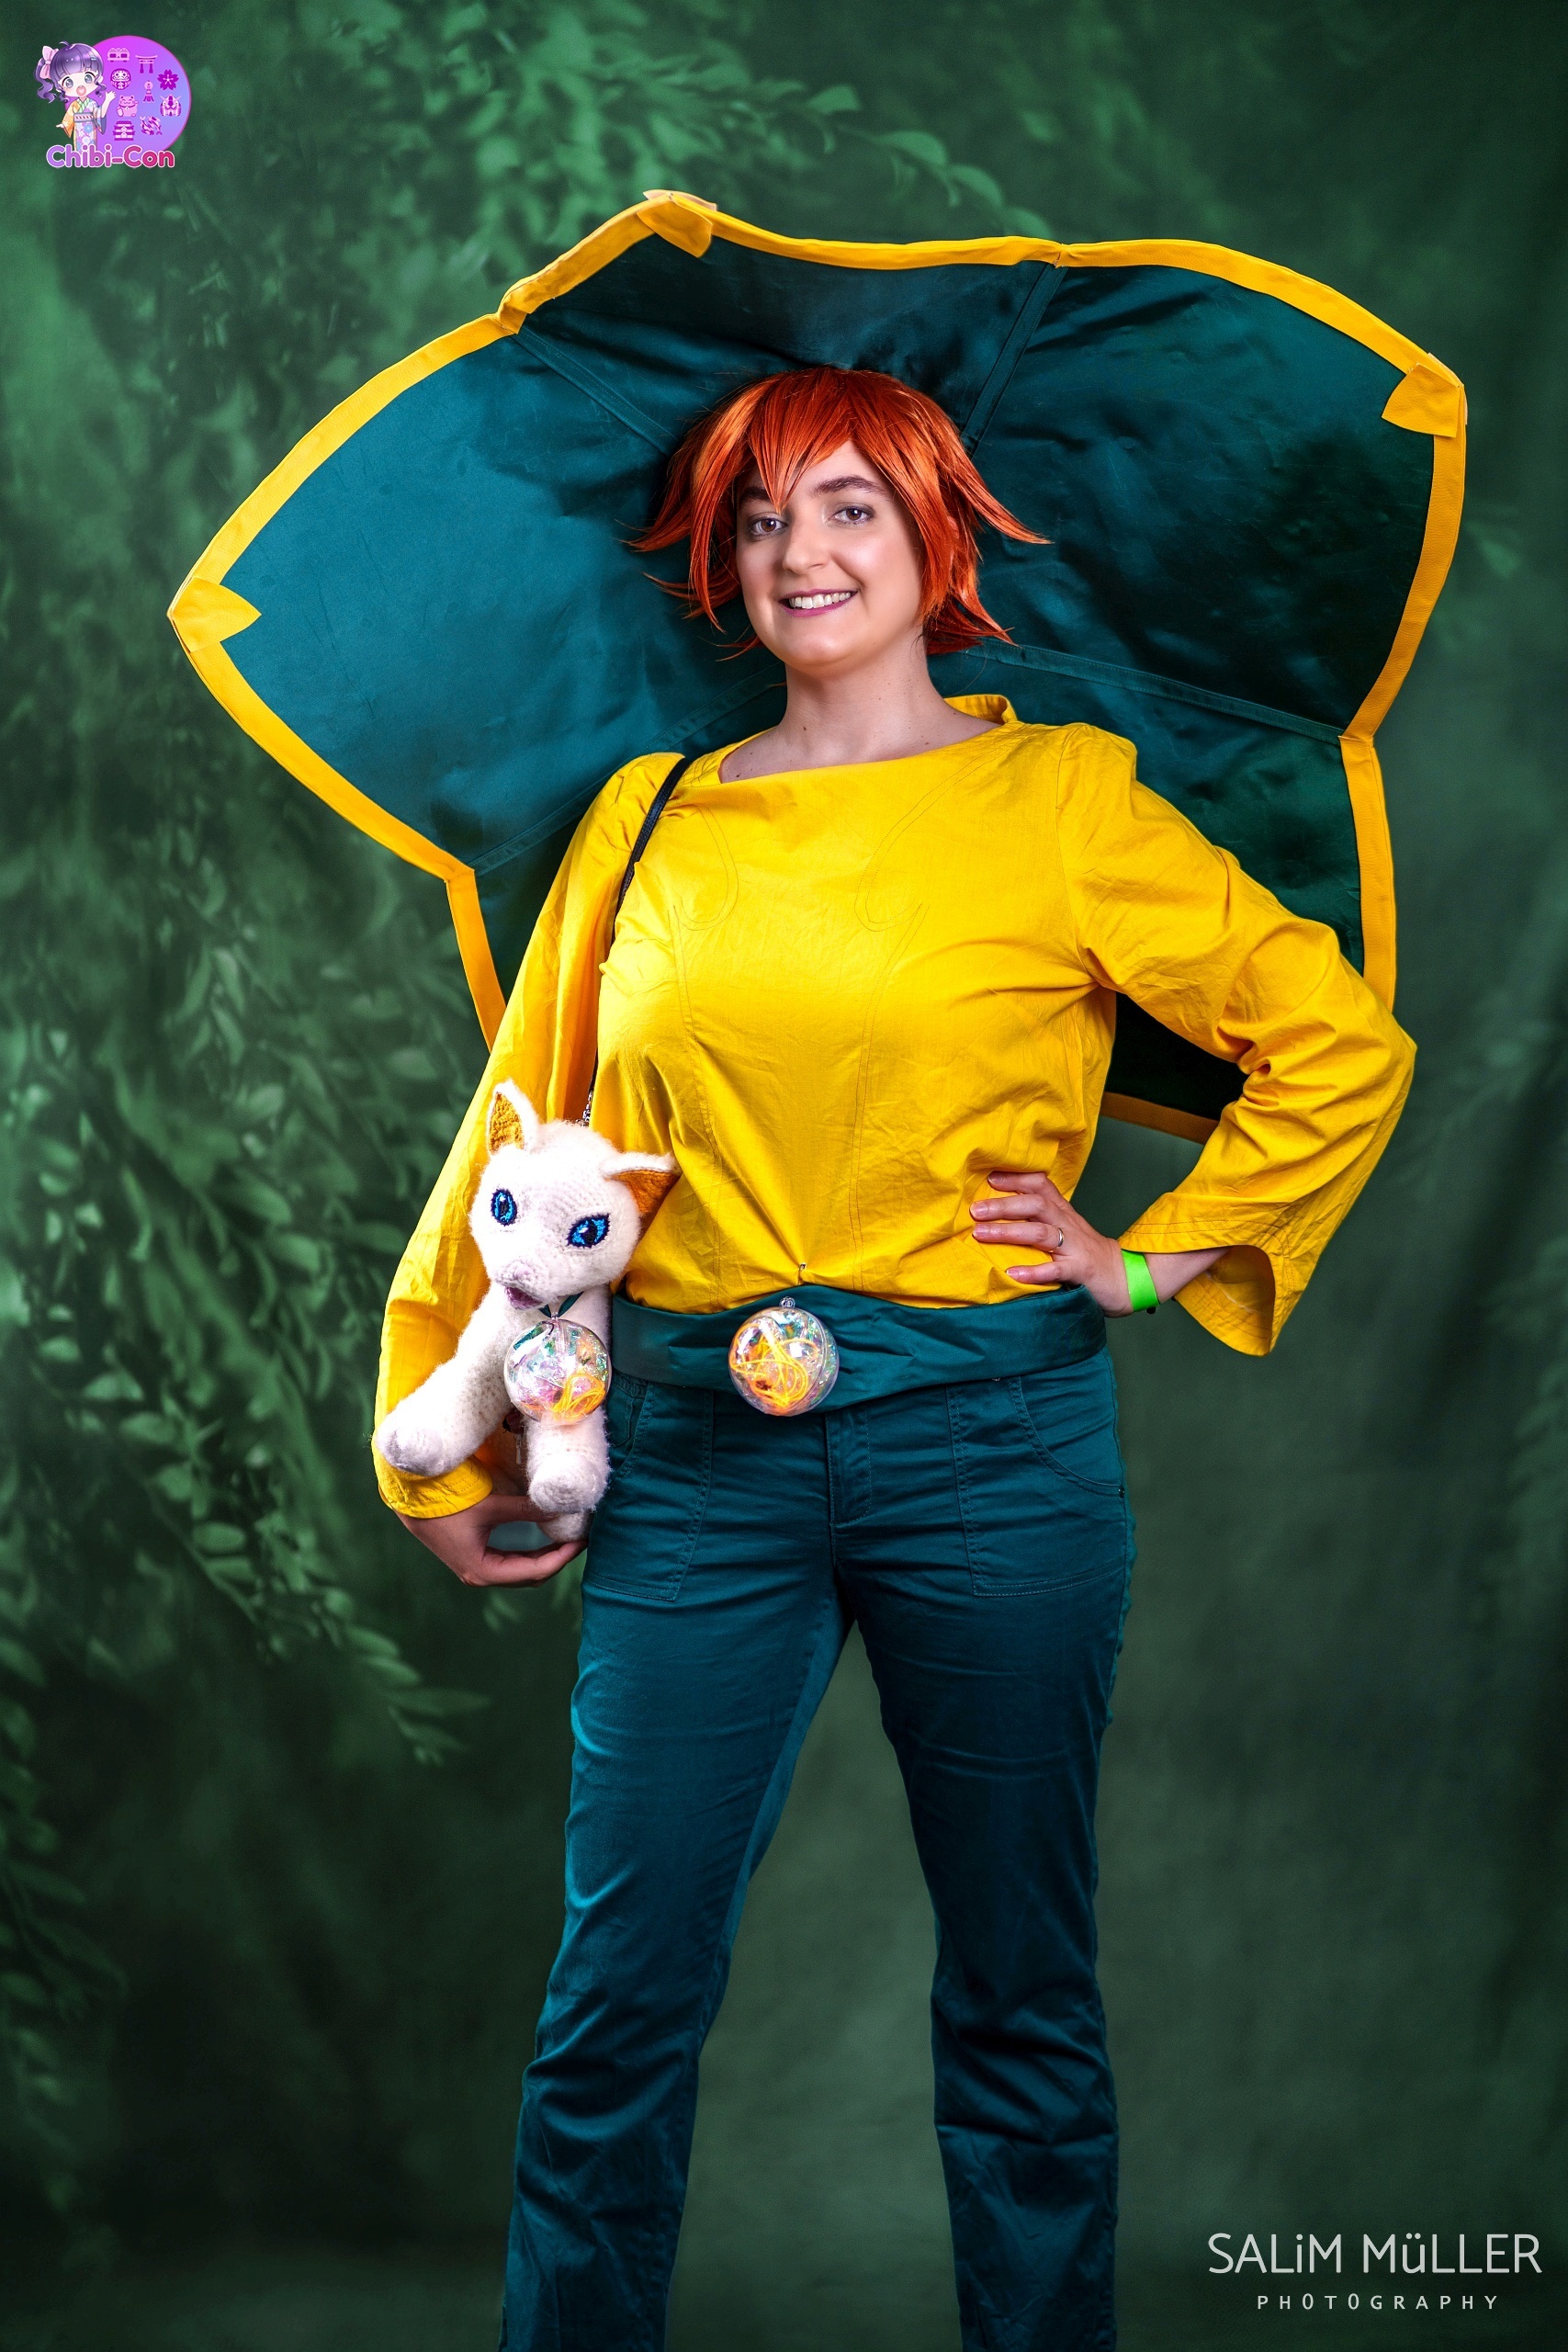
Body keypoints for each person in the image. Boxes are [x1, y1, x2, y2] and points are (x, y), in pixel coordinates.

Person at [374, 364, 1414, 2350]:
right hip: (690, 1460)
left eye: (849, 505)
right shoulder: (648, 819)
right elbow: (521, 1127)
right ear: (723, 565)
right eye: (762, 517)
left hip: (992, 1440)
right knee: (616, 2003)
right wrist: (436, 1440)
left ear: (937, 536)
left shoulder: (1061, 801)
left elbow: (1333, 1043)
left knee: (1021, 1993)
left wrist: (1145, 1261)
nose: (802, 552)